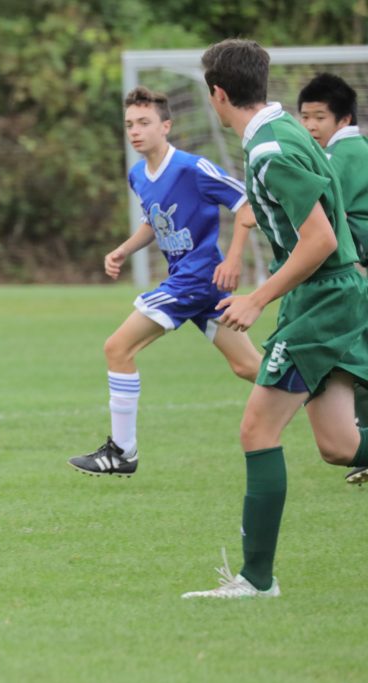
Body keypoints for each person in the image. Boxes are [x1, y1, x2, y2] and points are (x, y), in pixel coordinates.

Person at [182, 39, 368, 599]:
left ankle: (256, 580)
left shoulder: (271, 150)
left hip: (322, 298)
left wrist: (257, 298)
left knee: (257, 429)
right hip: (329, 294)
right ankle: (256, 579)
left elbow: (321, 238)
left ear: (218, 93)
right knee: (338, 444)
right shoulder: (283, 130)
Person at [68, 86, 262, 477]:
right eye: (129, 124)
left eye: (144, 122)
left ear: (166, 125)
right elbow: (155, 224)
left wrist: (235, 258)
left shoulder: (193, 168)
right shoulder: (138, 174)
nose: (135, 131)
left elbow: (247, 203)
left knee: (117, 347)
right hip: (189, 283)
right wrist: (124, 250)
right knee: (248, 367)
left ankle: (122, 452)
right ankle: (332, 394)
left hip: (197, 278)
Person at [297, 73, 368, 486]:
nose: (309, 126)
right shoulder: (348, 149)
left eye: (318, 117)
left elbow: (320, 199)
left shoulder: (345, 152)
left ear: (343, 119)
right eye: (304, 117)